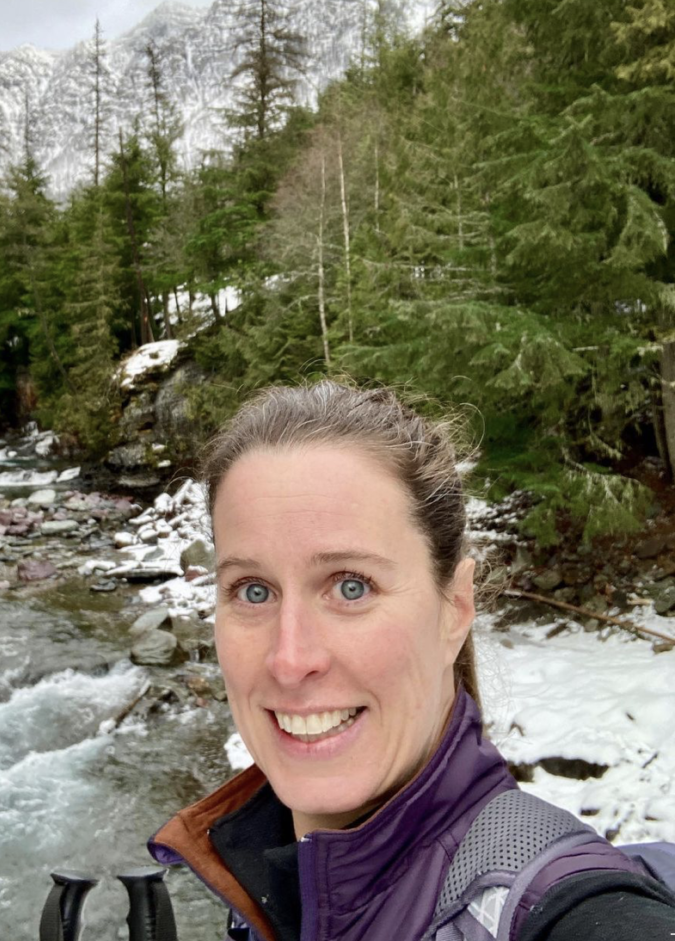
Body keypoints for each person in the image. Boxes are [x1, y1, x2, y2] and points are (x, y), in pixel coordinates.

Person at [148, 382, 675, 941]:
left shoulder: (558, 910)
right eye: (253, 591)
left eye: (352, 586)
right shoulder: (269, 879)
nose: (290, 659)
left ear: (456, 608)